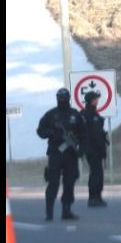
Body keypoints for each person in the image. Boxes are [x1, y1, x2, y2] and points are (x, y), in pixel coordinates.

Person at [36, 88, 87, 221]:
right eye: (60, 98)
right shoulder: (51, 115)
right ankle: (49, 213)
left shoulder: (75, 115)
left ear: (68, 98)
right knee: (53, 183)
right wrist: (52, 133)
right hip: (55, 153)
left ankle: (66, 210)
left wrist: (81, 150)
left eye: (64, 97)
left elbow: (83, 134)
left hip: (71, 154)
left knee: (69, 183)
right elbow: (40, 131)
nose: (62, 100)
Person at [81, 90, 109, 207]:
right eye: (96, 99)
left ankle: (98, 196)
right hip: (92, 149)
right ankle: (93, 197)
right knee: (95, 173)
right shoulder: (87, 115)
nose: (97, 100)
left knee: (99, 173)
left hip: (97, 148)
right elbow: (91, 134)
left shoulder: (94, 114)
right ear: (92, 101)